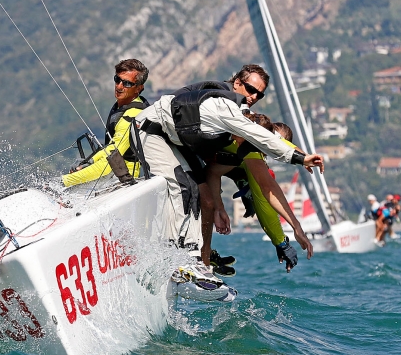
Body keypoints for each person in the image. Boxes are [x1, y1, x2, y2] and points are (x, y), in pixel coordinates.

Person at [133, 64, 324, 269]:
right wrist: (299, 158)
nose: (254, 97)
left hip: (178, 141)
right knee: (187, 190)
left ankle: (201, 261)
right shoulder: (229, 111)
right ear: (237, 83)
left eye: (260, 94)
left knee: (207, 200)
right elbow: (261, 141)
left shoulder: (244, 123)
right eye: (251, 90)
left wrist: (219, 207)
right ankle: (183, 258)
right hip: (152, 132)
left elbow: (221, 170)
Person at [206, 117, 316, 273]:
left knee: (259, 174)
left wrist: (219, 207)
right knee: (264, 177)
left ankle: (204, 253)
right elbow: (266, 192)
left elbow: (213, 171)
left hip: (205, 160)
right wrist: (281, 243)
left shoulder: (252, 153)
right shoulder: (252, 145)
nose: (270, 146)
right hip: (187, 149)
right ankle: (201, 255)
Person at [63, 59, 151, 187]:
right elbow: (110, 149)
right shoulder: (122, 106)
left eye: (127, 83)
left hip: (125, 182)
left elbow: (113, 157)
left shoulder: (133, 114)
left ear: (139, 88)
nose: (119, 86)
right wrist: (89, 161)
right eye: (117, 79)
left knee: (63, 187)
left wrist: (65, 182)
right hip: (111, 177)